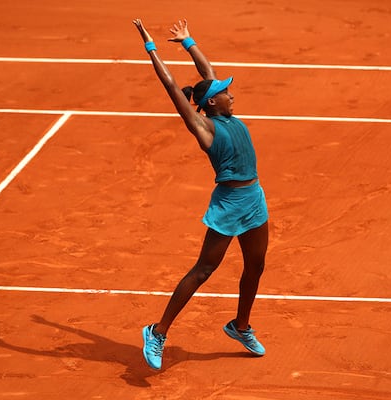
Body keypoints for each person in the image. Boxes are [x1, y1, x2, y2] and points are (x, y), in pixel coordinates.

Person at [132, 18, 269, 370]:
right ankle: (157, 331)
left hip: (254, 199)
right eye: (225, 92)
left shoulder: (223, 113)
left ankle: (240, 326)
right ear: (211, 103)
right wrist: (152, 48)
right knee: (204, 269)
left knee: (256, 265)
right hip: (228, 205)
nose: (232, 93)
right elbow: (173, 88)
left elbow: (207, 73)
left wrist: (189, 42)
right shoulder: (204, 128)